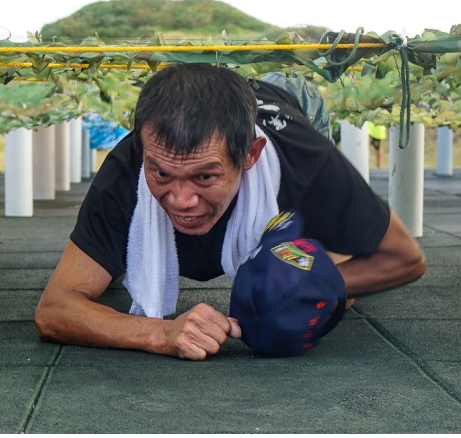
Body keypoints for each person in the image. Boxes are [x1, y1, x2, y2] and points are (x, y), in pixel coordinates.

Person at [34, 64, 426, 360]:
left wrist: (321, 285)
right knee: (109, 263)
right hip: (226, 114)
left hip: (289, 99)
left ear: (250, 157)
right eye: (162, 174)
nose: (181, 200)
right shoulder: (127, 168)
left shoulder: (305, 164)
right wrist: (160, 333)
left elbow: (406, 260)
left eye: (205, 176)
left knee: (315, 264)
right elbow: (55, 309)